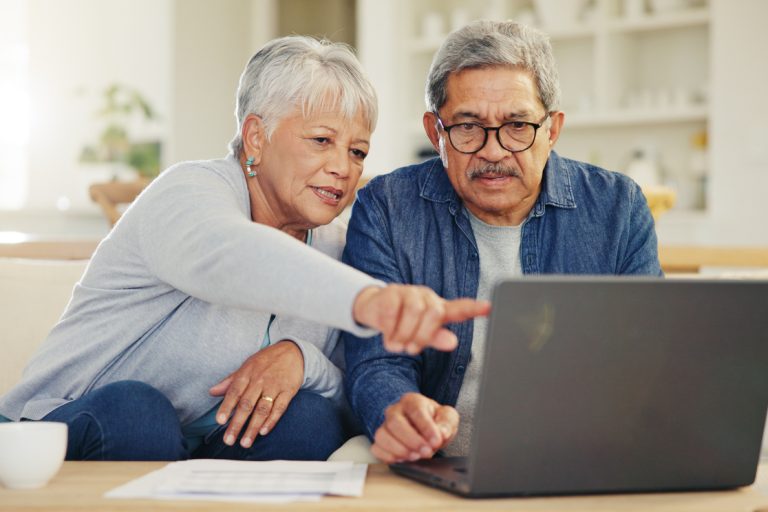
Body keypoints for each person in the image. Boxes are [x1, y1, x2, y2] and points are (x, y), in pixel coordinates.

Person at [0, 36, 489, 462]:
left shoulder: (338, 245)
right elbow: (231, 255)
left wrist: (301, 358)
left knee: (310, 418)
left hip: (199, 448)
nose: (344, 167)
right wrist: (369, 300)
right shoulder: (188, 193)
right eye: (322, 140)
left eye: (357, 151)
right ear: (256, 137)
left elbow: (352, 385)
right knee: (139, 413)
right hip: (53, 430)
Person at [343, 20, 663, 463]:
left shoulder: (617, 207)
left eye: (516, 125)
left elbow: (647, 356)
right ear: (436, 134)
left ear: (552, 130)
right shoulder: (386, 207)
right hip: (434, 461)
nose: (493, 152)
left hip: (580, 458)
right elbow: (375, 360)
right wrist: (397, 409)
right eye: (468, 127)